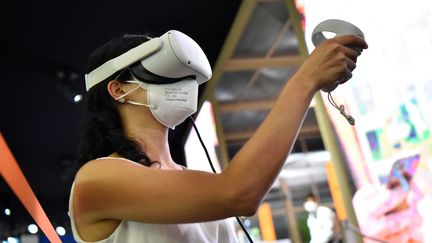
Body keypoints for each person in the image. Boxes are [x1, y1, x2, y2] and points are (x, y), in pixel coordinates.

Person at [68, 29, 367, 243]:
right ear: (118, 89)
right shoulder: (97, 179)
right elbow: (238, 192)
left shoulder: (192, 179)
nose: (182, 84)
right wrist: (305, 80)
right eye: (162, 71)